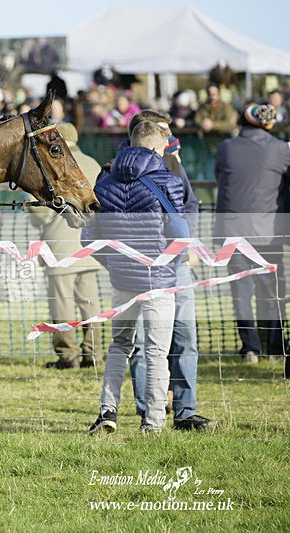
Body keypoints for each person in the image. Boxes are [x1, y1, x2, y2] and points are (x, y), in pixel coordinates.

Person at [83, 120, 185, 434]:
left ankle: (108, 412)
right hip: (159, 280)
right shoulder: (166, 181)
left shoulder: (104, 182)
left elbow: (88, 239)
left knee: (118, 346)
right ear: (158, 148)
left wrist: (114, 264)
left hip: (121, 281)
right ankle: (152, 422)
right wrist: (169, 266)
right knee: (155, 352)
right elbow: (181, 235)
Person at [123, 112, 211, 431]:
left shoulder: (173, 163)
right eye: (166, 133)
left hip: (176, 265)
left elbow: (190, 205)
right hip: (140, 268)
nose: (171, 139)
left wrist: (184, 245)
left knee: (185, 335)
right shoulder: (120, 168)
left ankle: (186, 410)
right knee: (143, 341)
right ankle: (149, 405)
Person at [214, 104, 290, 362]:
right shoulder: (280, 149)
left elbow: (220, 177)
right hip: (267, 232)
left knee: (241, 292)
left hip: (231, 231)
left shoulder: (225, 147)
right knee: (271, 291)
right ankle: (276, 347)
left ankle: (250, 348)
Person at [30, 122, 103, 369]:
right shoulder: (93, 164)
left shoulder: (50, 164)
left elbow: (38, 212)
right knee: (90, 303)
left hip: (59, 247)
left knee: (61, 303)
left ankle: (67, 355)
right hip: (89, 246)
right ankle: (93, 354)